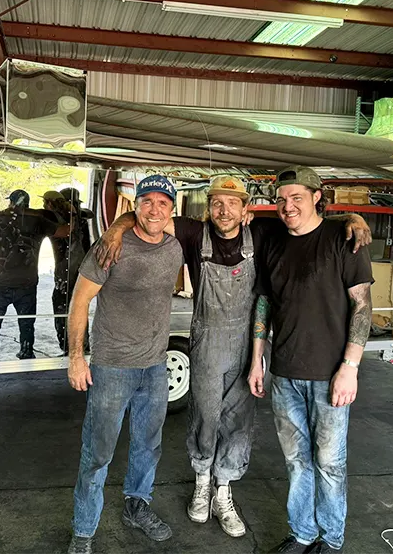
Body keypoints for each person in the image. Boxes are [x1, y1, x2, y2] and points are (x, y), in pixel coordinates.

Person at [96, 175, 370, 538]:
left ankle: (224, 492)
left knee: (239, 422)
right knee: (205, 416)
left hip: (245, 345)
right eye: (216, 203)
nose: (224, 211)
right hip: (207, 341)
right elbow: (151, 215)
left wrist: (353, 218)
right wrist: (116, 229)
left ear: (246, 210)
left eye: (232, 203)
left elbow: (307, 220)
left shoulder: (263, 232)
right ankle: (202, 484)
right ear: (208, 208)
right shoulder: (194, 233)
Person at [248, 166, 373, 554]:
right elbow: (264, 303)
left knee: (330, 463)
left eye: (297, 197)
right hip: (285, 373)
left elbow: (362, 307)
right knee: (296, 462)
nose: (288, 206)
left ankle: (331, 541)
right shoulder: (273, 240)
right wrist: (257, 360)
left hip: (329, 374)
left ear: (317, 197)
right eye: (281, 199)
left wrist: (350, 368)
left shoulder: (344, 238)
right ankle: (302, 534)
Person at [66, 175, 184, 554]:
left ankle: (137, 506)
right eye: (146, 201)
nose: (154, 209)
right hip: (113, 366)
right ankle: (84, 530)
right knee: (98, 451)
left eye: (162, 202)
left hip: (155, 366)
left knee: (148, 445)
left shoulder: (175, 246)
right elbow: (79, 301)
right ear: (135, 206)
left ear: (172, 209)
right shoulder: (111, 248)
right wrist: (76, 357)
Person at [0, 189, 69, 361]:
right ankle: (26, 354)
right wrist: (69, 211)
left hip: (1, 282)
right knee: (27, 324)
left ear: (11, 202)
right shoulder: (39, 220)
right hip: (27, 283)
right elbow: (65, 232)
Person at [42, 190, 90, 355]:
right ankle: (81, 346)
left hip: (68, 271)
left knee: (64, 307)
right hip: (79, 270)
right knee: (78, 307)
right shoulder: (79, 219)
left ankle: (71, 348)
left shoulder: (60, 220)